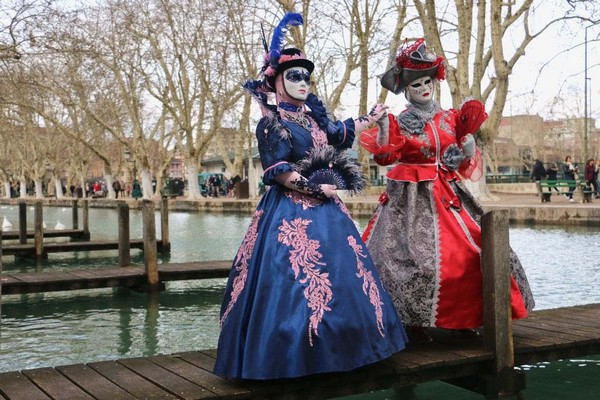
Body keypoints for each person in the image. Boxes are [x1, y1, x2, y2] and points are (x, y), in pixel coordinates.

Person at [213, 13, 407, 380]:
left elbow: (340, 134)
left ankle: (348, 350)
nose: (303, 82)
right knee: (290, 285)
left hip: (330, 214)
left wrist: (371, 116)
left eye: (307, 76)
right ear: (278, 82)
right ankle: (289, 358)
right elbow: (281, 173)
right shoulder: (272, 123)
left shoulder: (313, 118)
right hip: (287, 215)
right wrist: (318, 189)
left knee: (346, 278)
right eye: (295, 76)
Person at [360, 38, 535, 343]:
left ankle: (466, 319)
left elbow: (463, 158)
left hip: (449, 195)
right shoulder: (399, 122)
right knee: (400, 261)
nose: (424, 88)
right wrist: (384, 130)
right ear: (407, 90)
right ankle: (408, 323)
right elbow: (385, 157)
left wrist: (467, 149)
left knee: (475, 251)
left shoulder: (451, 118)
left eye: (428, 82)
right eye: (416, 85)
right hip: (408, 201)